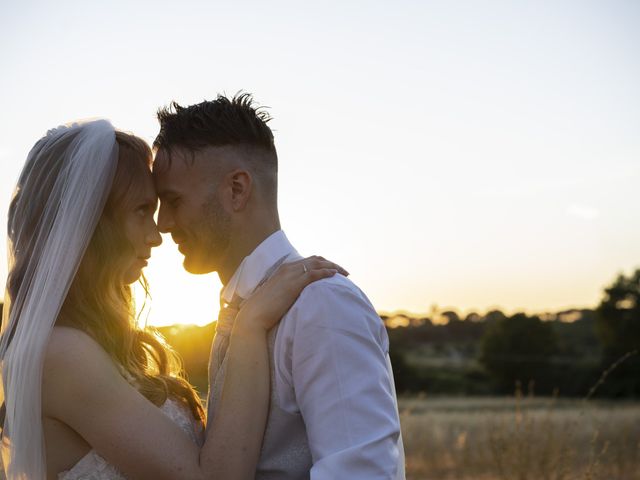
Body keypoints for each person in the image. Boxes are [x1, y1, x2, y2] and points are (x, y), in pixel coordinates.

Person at [0, 119, 345, 479]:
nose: (156, 234)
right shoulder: (61, 354)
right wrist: (249, 327)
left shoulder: (95, 345)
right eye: (141, 211)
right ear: (93, 223)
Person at [152, 93, 406, 479]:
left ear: (237, 189)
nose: (162, 223)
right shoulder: (240, 310)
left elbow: (363, 473)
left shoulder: (321, 304)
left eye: (172, 201)